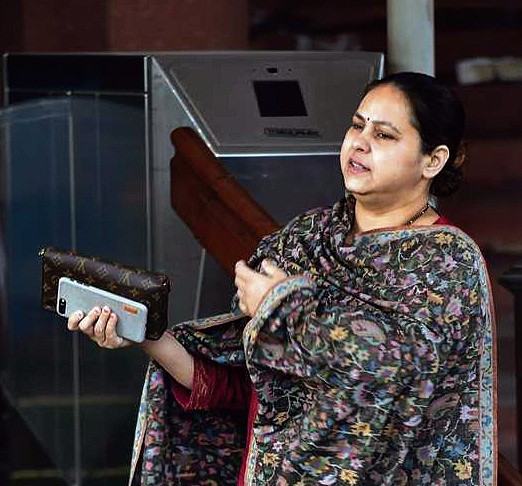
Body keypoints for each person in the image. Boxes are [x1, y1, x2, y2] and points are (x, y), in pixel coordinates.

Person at [67, 72, 496, 485]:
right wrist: (146, 333)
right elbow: (254, 390)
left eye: (383, 135)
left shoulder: (446, 263)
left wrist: (281, 309)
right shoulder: (305, 239)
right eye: (356, 125)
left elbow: (386, 380)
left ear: (433, 160)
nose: (359, 143)